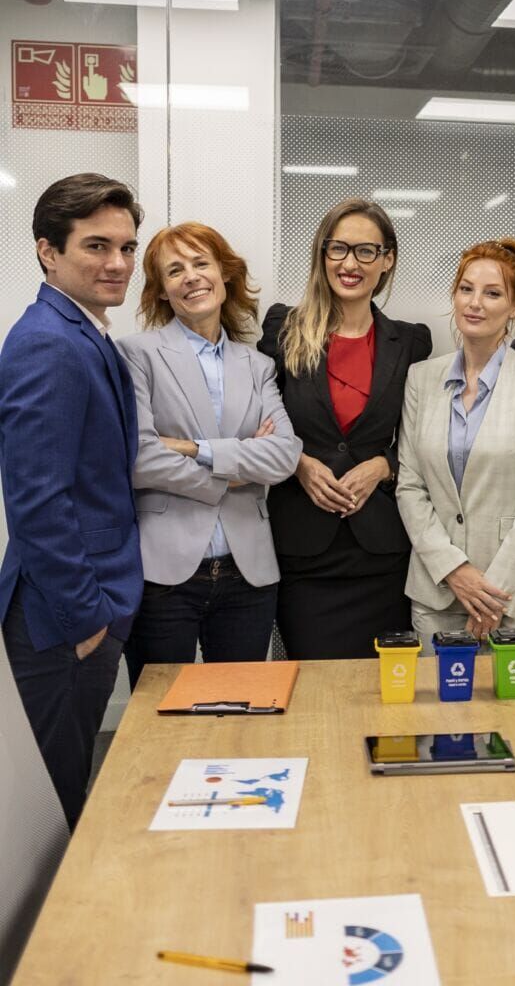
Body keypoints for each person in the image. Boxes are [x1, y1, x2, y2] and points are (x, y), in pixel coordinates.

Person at [0, 173, 144, 828]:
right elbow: (36, 498)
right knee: (53, 808)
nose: (117, 263)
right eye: (96, 246)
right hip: (64, 620)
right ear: (47, 252)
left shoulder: (84, 331)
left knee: (71, 783)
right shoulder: (48, 343)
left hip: (81, 609)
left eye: (126, 246)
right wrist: (87, 618)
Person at [117, 223, 301, 688]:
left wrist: (191, 447)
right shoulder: (135, 355)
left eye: (201, 263)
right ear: (161, 290)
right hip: (164, 575)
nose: (191, 277)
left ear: (225, 275)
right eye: (175, 270)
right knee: (158, 720)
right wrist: (239, 470)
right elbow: (138, 458)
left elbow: (283, 456)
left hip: (248, 575)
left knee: (240, 714)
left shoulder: (258, 365)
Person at [258, 199, 431, 658]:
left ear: (387, 259)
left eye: (366, 251)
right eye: (338, 249)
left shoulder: (411, 341)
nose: (350, 263)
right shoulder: (283, 329)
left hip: (382, 550)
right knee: (313, 696)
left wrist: (383, 465)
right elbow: (257, 426)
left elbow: (424, 440)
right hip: (303, 549)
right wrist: (297, 463)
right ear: (322, 254)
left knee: (383, 696)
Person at [396, 238, 515, 644]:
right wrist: (455, 571)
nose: (475, 303)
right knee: (440, 708)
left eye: (493, 293)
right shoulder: (421, 378)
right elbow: (410, 485)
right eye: (466, 289)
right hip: (438, 594)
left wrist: (493, 594)